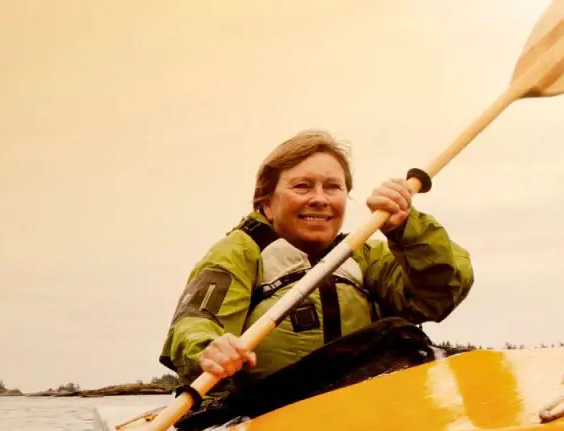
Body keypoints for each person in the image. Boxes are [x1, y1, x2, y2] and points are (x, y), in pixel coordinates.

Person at [159, 129, 474, 404]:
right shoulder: (239, 253)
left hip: (365, 404)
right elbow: (193, 323)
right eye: (302, 187)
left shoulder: (367, 255)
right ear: (267, 204)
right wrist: (209, 349)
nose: (320, 199)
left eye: (332, 187)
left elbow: (440, 295)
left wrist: (408, 227)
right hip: (260, 413)